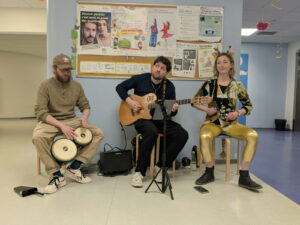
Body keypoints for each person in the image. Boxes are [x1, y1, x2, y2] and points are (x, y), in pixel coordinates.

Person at [32, 53, 104, 194]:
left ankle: (74, 167)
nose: (66, 73)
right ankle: (56, 175)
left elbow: (85, 105)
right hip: (51, 121)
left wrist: (84, 117)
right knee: (38, 137)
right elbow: (40, 112)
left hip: (71, 120)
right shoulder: (45, 86)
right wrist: (61, 126)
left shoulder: (77, 86)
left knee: (98, 133)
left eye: (68, 70)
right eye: (63, 70)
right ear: (54, 69)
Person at [192, 47, 262, 190]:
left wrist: (237, 113)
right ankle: (209, 172)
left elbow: (248, 106)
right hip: (212, 123)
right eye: (219, 63)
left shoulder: (237, 85)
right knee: (204, 135)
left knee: (253, 135)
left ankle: (244, 176)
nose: (222, 65)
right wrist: (207, 109)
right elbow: (194, 101)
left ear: (231, 65)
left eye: (225, 62)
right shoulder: (210, 84)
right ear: (216, 66)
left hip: (231, 125)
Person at [116, 56, 189, 188]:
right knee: (151, 131)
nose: (158, 70)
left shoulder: (169, 87)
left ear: (166, 73)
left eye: (162, 69)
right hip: (141, 119)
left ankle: (160, 167)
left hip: (160, 119)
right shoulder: (140, 79)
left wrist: (173, 109)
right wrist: (130, 102)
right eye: (157, 66)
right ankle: (139, 172)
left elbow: (170, 112)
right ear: (153, 67)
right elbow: (120, 87)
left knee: (182, 134)